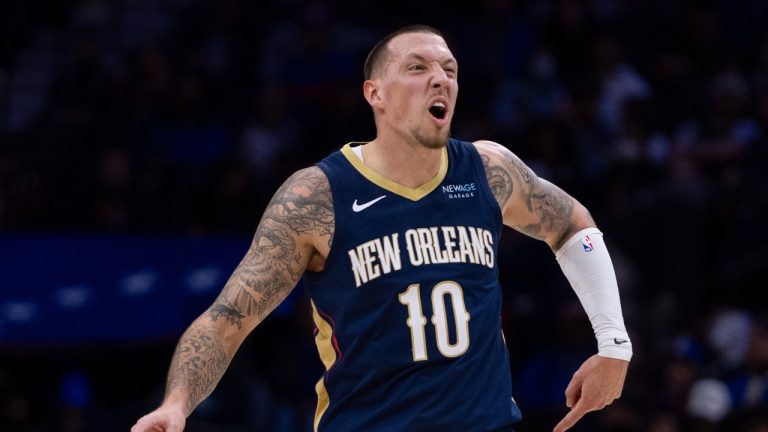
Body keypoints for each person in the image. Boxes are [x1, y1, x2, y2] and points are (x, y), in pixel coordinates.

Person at [132, 25, 632, 432]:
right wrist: (176, 404)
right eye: (418, 68)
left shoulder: (488, 170)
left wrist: (613, 343)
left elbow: (572, 225)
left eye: (449, 70)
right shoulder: (318, 196)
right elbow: (229, 317)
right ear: (375, 93)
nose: (440, 78)